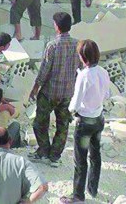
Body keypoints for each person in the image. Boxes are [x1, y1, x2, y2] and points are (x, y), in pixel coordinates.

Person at [61, 40, 111, 204]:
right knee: (95, 155)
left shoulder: (83, 75)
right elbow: (107, 95)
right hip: (98, 118)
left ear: (83, 56)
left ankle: (78, 196)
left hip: (85, 122)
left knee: (80, 161)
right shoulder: (103, 72)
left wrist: (70, 111)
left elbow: (75, 103)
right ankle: (93, 188)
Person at [29, 12, 79, 167]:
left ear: (56, 26)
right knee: (62, 125)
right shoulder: (77, 45)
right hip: (67, 93)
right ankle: (55, 156)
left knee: (40, 122)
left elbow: (44, 70)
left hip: (50, 92)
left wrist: (35, 88)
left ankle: (43, 150)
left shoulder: (52, 45)